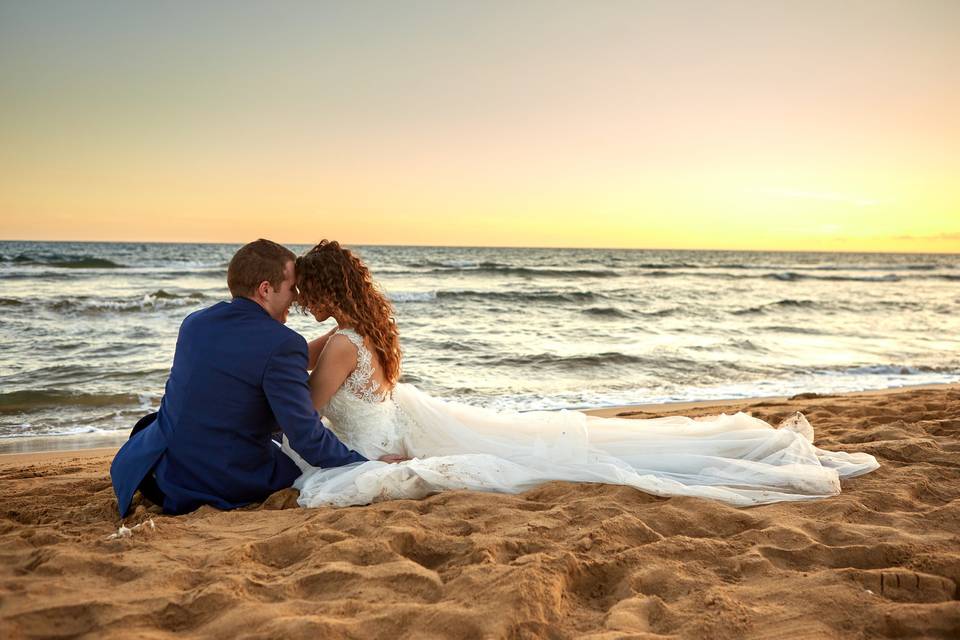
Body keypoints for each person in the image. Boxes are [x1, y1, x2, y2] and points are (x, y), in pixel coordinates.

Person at [281, 240, 880, 508]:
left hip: (372, 448)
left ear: (330, 289)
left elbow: (304, 413)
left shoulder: (337, 346)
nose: (305, 301)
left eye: (308, 291)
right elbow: (304, 354)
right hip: (388, 433)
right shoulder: (361, 335)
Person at [110, 239, 397, 517]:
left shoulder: (195, 323)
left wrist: (347, 328)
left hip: (154, 470)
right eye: (291, 288)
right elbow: (306, 438)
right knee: (297, 467)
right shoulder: (283, 344)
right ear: (265, 290)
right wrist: (365, 464)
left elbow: (239, 374)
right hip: (215, 481)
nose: (297, 297)